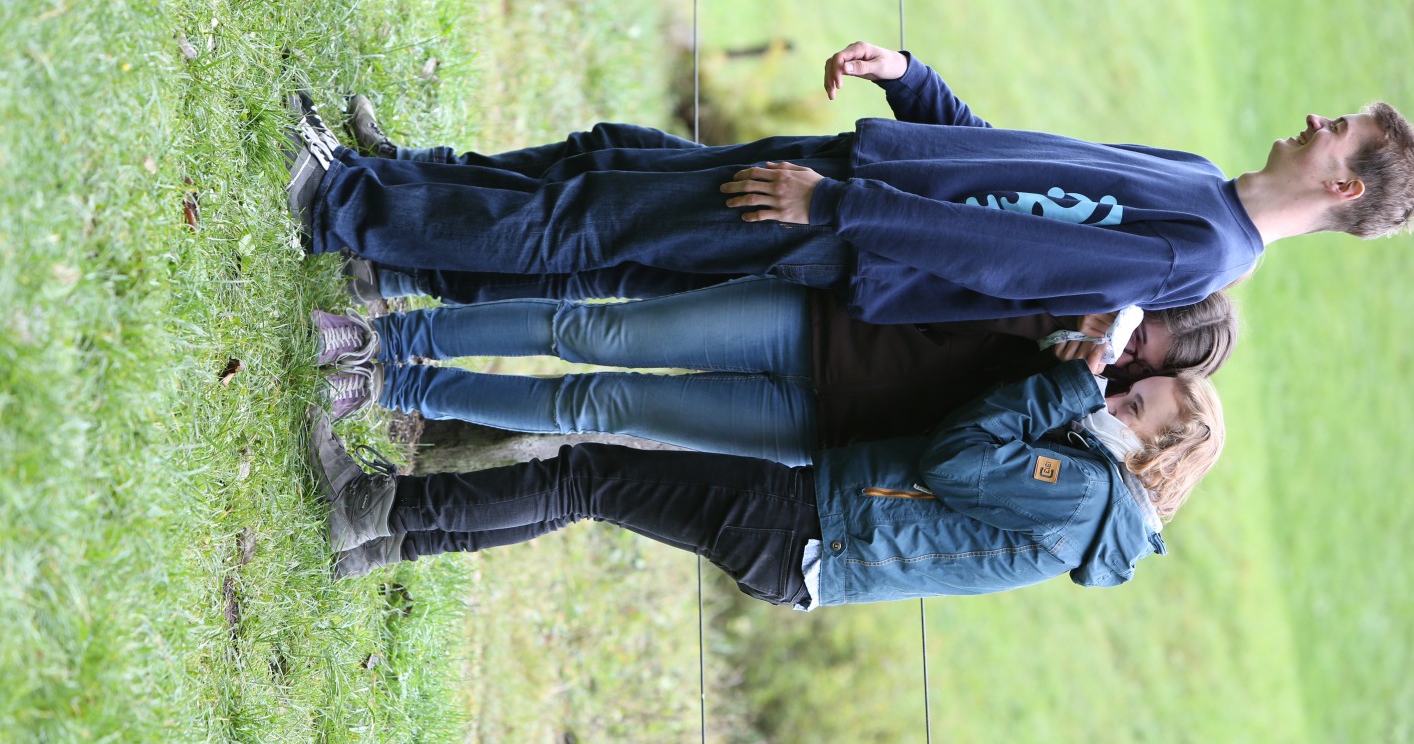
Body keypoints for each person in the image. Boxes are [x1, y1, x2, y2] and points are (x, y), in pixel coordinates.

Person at [287, 41, 1414, 324]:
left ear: (1345, 190)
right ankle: (399, 213)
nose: (1316, 120)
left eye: (1338, 132)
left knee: (597, 221)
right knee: (612, 165)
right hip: (851, 183)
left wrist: (832, 207)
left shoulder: (1200, 250)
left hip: (838, 223)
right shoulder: (1200, 184)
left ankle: (338, 207)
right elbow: (1001, 168)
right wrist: (914, 83)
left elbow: (1009, 258)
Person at [307, 360, 1226, 595]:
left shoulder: (1083, 494)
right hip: (809, 545)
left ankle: (370, 509)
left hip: (809, 524)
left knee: (585, 477)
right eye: (1129, 387)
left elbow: (955, 460)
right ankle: (384, 541)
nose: (1117, 396)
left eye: (1136, 405)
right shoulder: (1093, 509)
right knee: (591, 488)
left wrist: (1061, 386)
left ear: (1157, 453)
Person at [310, 279, 1237, 464]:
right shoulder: (1075, 295)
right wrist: (1057, 328)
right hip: (816, 327)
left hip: (820, 431)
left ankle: (396, 387)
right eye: (1138, 340)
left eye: (1139, 375)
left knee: (596, 403)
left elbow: (968, 457)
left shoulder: (1082, 435)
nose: (1123, 359)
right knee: (597, 330)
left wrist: (1068, 389)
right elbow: (962, 281)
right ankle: (384, 336)